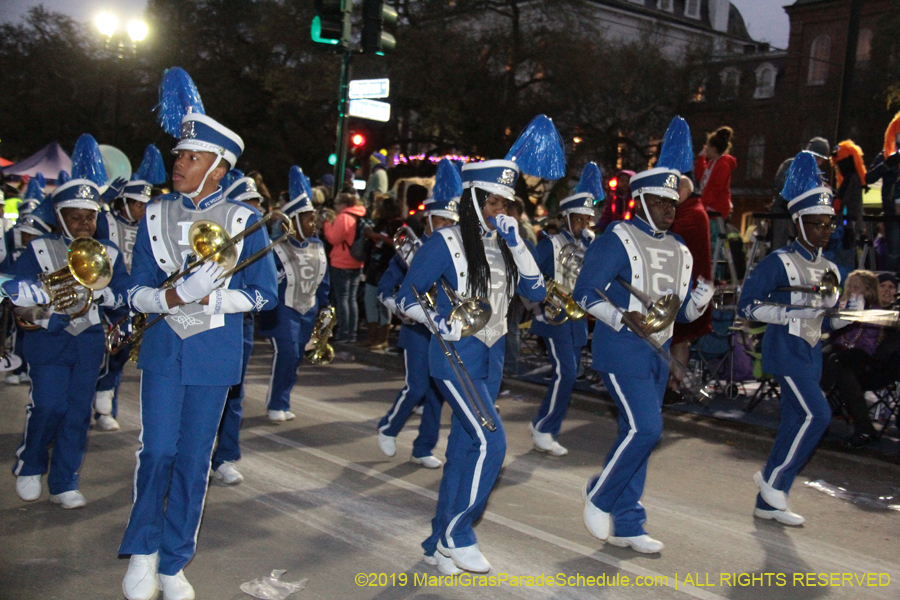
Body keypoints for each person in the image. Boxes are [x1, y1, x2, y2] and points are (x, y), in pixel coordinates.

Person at [119, 68, 278, 600]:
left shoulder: (245, 219)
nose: (179, 163)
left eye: (191, 157)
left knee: (193, 461)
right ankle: (143, 551)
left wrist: (213, 297)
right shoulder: (154, 214)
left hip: (214, 354)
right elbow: (133, 290)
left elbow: (265, 294)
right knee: (156, 452)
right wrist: (172, 296)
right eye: (180, 154)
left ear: (218, 167)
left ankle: (174, 561)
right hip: (165, 348)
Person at [396, 115, 559, 574]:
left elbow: (536, 293)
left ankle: (436, 543)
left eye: (506, 202)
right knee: (492, 441)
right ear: (472, 199)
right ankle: (458, 533)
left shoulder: (508, 243)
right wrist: (438, 321)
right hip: (454, 356)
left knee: (465, 450)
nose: (500, 209)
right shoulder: (445, 241)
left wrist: (519, 245)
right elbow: (406, 297)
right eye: (492, 201)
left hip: (492, 357)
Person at [574, 116, 712, 554]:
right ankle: (600, 495)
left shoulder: (682, 251)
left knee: (636, 433)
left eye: (673, 203)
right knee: (647, 429)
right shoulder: (617, 237)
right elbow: (584, 293)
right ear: (641, 200)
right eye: (660, 202)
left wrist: (702, 300)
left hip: (658, 354)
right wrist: (620, 317)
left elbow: (679, 313)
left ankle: (629, 523)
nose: (669, 210)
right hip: (620, 350)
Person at [10, 134, 129, 511]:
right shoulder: (38, 248)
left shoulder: (108, 252)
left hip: (88, 339)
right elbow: (11, 289)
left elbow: (125, 291)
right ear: (60, 216)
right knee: (49, 406)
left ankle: (64, 481)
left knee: (78, 413)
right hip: (48, 339)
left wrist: (109, 296)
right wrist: (32, 295)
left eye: (90, 217)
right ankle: (30, 463)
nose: (84, 223)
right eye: (75, 216)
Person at [738, 150, 848, 527]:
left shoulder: (831, 269)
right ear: (798, 222)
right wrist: (788, 313)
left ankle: (769, 502)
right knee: (818, 415)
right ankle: (774, 479)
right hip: (785, 350)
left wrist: (848, 314)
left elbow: (827, 321)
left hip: (811, 354)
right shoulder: (778, 262)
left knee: (793, 421)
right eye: (817, 224)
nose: (824, 231)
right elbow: (747, 306)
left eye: (829, 224)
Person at [376, 158, 460, 469]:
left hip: (443, 329)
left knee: (437, 391)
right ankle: (388, 427)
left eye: (450, 222)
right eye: (441, 221)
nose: (446, 227)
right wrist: (400, 310)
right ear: (428, 219)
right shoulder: (409, 250)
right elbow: (384, 289)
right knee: (418, 387)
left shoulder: (456, 252)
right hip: (415, 329)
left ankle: (423, 447)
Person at [528, 162, 603, 455]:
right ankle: (545, 428)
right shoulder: (551, 243)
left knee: (569, 375)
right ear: (567, 217)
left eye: (588, 219)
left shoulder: (590, 247)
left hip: (577, 319)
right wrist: (542, 301)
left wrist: (594, 251)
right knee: (567, 374)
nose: (584, 224)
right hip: (553, 318)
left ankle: (543, 425)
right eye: (579, 218)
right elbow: (530, 275)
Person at [93, 145, 166, 432]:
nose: (143, 210)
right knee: (98, 355)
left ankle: (105, 405)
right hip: (103, 297)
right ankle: (94, 402)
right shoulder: (105, 221)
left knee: (119, 354)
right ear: (123, 203)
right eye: (137, 204)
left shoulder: (150, 228)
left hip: (132, 301)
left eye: (145, 205)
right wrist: (103, 199)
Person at [209, 170, 269, 484]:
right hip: (204, 320)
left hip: (239, 323)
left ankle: (225, 457)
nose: (254, 210)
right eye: (247, 203)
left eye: (256, 203)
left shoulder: (258, 237)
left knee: (234, 393)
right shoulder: (211, 233)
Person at [258, 167, 330, 423]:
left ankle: (283, 400)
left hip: (308, 310)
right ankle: (275, 403)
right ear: (295, 221)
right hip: (283, 311)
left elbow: (323, 281)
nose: (314, 224)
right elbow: (268, 280)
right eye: (309, 219)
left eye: (314, 219)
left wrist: (325, 309)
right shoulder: (276, 249)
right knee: (286, 354)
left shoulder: (319, 246)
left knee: (297, 356)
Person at [820, 270, 883, 448]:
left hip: (861, 354)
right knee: (828, 360)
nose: (852, 290)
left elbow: (867, 339)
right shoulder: (842, 304)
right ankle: (865, 428)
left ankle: (818, 400)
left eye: (857, 287)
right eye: (850, 286)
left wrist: (857, 314)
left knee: (838, 362)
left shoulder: (875, 310)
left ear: (868, 290)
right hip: (839, 349)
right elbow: (833, 331)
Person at [668, 175, 712, 398]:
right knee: (675, 340)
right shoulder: (690, 211)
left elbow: (675, 239)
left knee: (679, 340)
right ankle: (670, 385)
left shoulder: (693, 214)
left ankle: (673, 386)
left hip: (688, 287)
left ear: (684, 190)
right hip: (682, 285)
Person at [771, 137, 831, 250]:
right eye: (817, 158)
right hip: (784, 211)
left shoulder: (817, 174)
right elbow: (782, 185)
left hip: (802, 215)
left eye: (820, 160)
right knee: (780, 243)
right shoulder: (790, 165)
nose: (818, 162)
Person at [323, 192, 366, 342]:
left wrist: (327, 224)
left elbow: (333, 239)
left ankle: (343, 332)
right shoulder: (360, 216)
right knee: (352, 298)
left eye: (336, 204)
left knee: (342, 298)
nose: (335, 207)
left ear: (343, 204)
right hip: (357, 261)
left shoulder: (344, 217)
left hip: (341, 261)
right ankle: (352, 333)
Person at [360, 192, 400, 350]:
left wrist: (378, 236)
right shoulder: (380, 223)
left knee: (384, 303)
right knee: (369, 301)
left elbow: (397, 244)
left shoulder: (398, 225)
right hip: (374, 266)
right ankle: (372, 336)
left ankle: (383, 338)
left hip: (386, 267)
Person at [866, 112, 900, 271]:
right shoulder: (886, 155)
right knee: (893, 254)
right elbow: (869, 178)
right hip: (892, 214)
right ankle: (891, 282)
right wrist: (887, 165)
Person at [695, 126, 736, 221]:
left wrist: (701, 203)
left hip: (715, 209)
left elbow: (716, 189)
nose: (705, 148)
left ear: (713, 148)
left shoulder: (723, 165)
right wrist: (701, 159)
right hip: (707, 205)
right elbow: (700, 176)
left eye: (707, 146)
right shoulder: (712, 163)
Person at [831, 140, 866, 235]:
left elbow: (846, 202)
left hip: (849, 224)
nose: (840, 167)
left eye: (841, 163)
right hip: (847, 222)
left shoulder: (852, 179)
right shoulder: (850, 179)